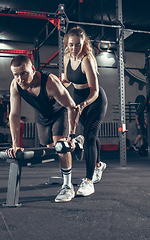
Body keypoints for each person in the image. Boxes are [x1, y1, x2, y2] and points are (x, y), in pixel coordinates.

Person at [6, 55, 79, 203]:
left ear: (32, 69)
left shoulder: (50, 82)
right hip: (42, 116)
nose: (20, 79)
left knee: (61, 146)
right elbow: (14, 115)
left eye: (24, 73)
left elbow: (72, 106)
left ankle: (67, 186)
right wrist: (15, 145)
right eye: (16, 75)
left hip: (60, 113)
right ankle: (77, 145)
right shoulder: (16, 85)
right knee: (50, 147)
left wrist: (71, 135)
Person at [62, 26, 108, 197]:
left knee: (89, 138)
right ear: (67, 43)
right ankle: (98, 165)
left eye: (78, 44)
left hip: (94, 101)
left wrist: (83, 105)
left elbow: (94, 91)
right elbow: (67, 80)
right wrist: (56, 89)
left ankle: (88, 181)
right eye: (72, 44)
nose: (75, 48)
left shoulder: (87, 59)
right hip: (77, 99)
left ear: (84, 43)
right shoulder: (67, 57)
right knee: (91, 136)